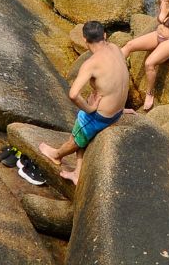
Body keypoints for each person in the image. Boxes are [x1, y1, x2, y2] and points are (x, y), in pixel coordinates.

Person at [40, 21, 128, 184]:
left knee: (80, 126)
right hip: (118, 111)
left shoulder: (91, 64)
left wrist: (89, 108)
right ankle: (78, 173)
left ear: (84, 40)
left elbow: (73, 94)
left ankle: (56, 155)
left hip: (104, 117)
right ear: (105, 35)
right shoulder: (115, 48)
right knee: (85, 117)